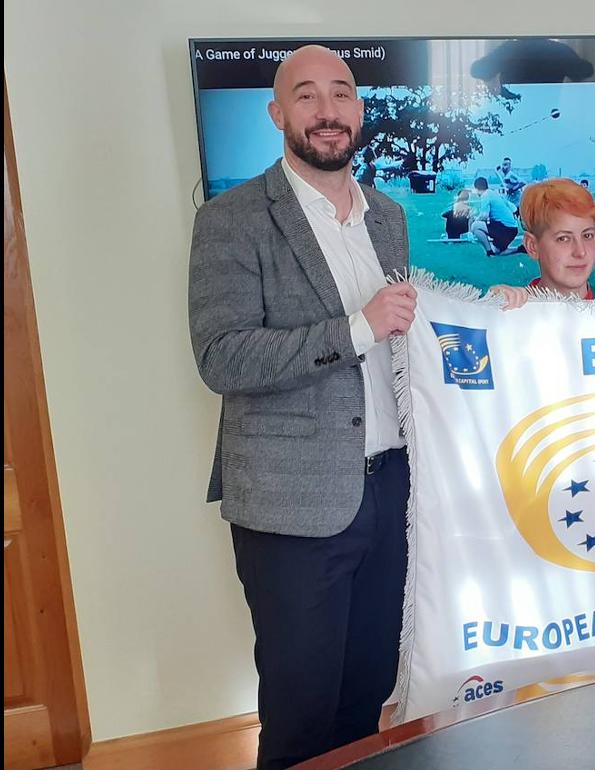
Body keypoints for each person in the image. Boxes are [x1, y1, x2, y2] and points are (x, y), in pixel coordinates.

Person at [187, 45, 418, 770]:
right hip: (294, 505)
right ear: (278, 113)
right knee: (300, 710)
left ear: (359, 110)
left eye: (341, 94)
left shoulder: (387, 216)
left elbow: (406, 336)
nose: (327, 111)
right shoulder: (233, 219)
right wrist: (358, 327)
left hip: (391, 491)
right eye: (307, 95)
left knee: (368, 693)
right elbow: (222, 357)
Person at [490, 178, 595, 307]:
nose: (580, 252)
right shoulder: (516, 310)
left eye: (587, 235)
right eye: (563, 238)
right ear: (532, 247)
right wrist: (492, 310)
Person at [469, 175, 521, 255]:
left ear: (477, 188)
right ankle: (520, 249)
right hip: (513, 229)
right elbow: (512, 207)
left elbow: (484, 216)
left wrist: (475, 220)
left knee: (475, 226)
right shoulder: (494, 193)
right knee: (497, 251)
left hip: (504, 228)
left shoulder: (485, 195)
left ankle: (489, 252)